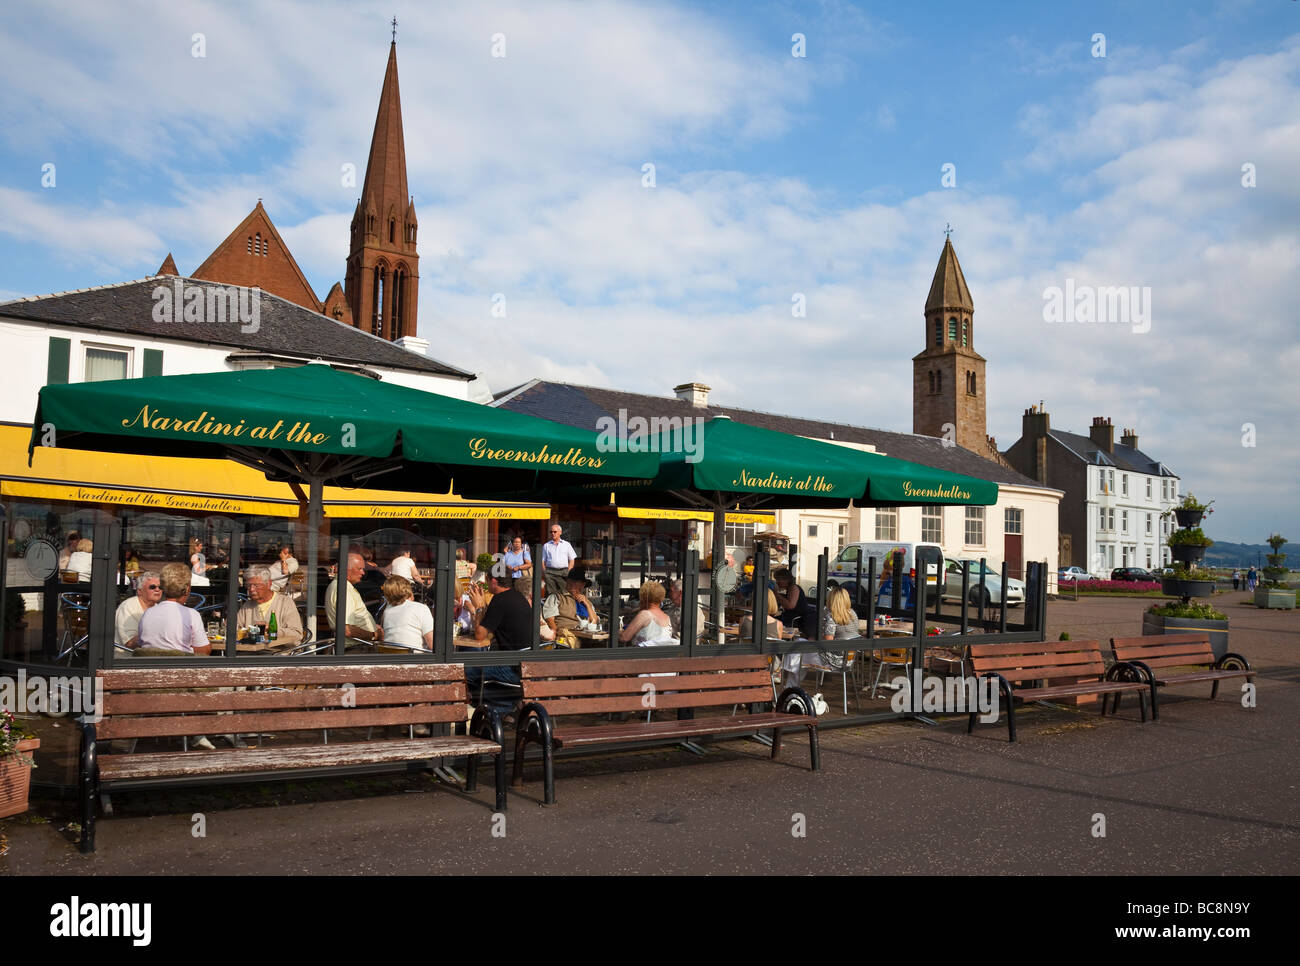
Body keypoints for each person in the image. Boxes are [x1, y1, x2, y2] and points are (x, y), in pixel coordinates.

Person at [465, 560, 535, 698]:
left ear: (494, 581)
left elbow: (480, 635)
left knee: (464, 670)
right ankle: (504, 708)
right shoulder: (517, 596)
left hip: (514, 669)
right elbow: (490, 624)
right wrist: (483, 606)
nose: (485, 583)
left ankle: (478, 709)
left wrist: (478, 607)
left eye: (487, 580)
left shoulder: (499, 600)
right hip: (529, 666)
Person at [779, 586, 858, 691]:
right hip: (848, 660)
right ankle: (791, 686)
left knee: (798, 650)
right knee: (801, 650)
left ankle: (789, 687)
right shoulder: (853, 614)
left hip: (832, 661)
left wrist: (814, 641)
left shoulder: (832, 617)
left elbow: (827, 644)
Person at [137, 563, 210, 655]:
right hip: (180, 667)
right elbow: (204, 651)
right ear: (187, 589)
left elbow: (141, 645)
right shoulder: (191, 614)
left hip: (150, 666)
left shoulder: (148, 613)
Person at [236, 565, 303, 648]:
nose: (251, 589)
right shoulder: (247, 606)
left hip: (277, 654)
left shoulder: (285, 603)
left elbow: (296, 636)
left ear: (269, 584)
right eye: (249, 585)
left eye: (256, 585)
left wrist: (273, 631)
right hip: (251, 654)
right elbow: (236, 629)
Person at [324, 552, 382, 647]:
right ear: (346, 569)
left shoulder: (343, 586)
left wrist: (372, 628)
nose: (363, 573)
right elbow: (347, 629)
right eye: (359, 569)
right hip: (355, 650)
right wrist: (374, 635)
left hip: (357, 647)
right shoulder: (343, 589)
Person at [380, 575, 434, 650]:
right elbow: (433, 645)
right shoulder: (421, 608)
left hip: (390, 658)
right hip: (414, 659)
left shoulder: (387, 611)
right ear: (408, 589)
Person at [619, 580, 676, 645]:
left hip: (642, 654)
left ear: (644, 597)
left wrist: (616, 632)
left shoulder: (645, 614)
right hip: (662, 654)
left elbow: (624, 637)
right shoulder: (667, 617)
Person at [114, 571, 162, 648]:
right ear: (140, 591)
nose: (157, 590)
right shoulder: (128, 606)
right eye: (152, 587)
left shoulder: (160, 608)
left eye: (160, 587)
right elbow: (129, 643)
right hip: (128, 657)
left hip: (151, 656)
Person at [542, 572, 596, 636]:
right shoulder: (556, 596)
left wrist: (587, 605)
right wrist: (557, 635)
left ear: (583, 584)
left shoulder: (586, 601)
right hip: (566, 636)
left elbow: (594, 621)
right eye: (569, 581)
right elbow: (549, 619)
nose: (571, 584)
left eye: (575, 582)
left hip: (587, 635)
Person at [540, 524, 577, 595]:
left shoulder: (566, 544)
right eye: (551, 532)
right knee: (551, 593)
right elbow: (543, 560)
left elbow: (572, 559)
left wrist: (569, 571)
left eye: (555, 532)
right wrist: (545, 572)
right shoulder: (546, 545)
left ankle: (563, 605)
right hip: (550, 572)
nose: (553, 533)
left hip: (563, 572)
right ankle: (552, 606)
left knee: (565, 592)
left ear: (560, 532)